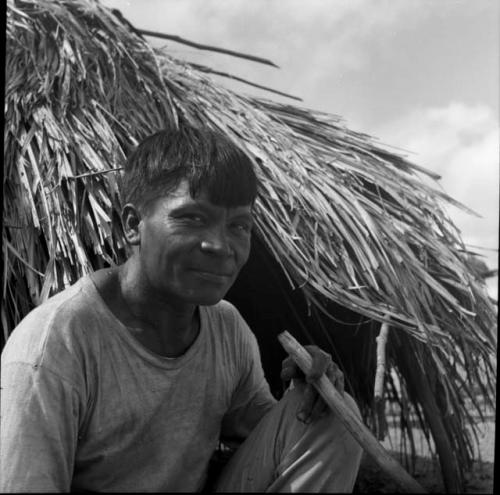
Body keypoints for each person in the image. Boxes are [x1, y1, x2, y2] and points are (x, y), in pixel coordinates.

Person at [1, 125, 363, 492]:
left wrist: (314, 391)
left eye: (239, 225)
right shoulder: (54, 346)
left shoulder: (226, 327)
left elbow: (271, 435)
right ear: (131, 226)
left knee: (333, 414)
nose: (220, 246)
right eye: (192, 218)